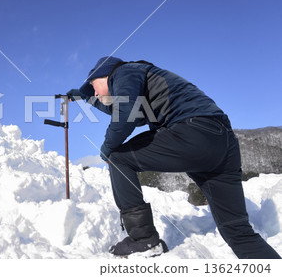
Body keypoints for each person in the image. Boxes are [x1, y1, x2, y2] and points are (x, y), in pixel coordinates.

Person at [67, 56, 281, 259]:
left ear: (104, 74)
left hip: (194, 131)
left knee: (118, 158)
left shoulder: (124, 71)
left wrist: (106, 148)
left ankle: (144, 240)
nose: (94, 93)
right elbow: (128, 110)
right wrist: (85, 97)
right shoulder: (139, 83)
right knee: (237, 232)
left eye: (93, 86)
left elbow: (125, 112)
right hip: (223, 143)